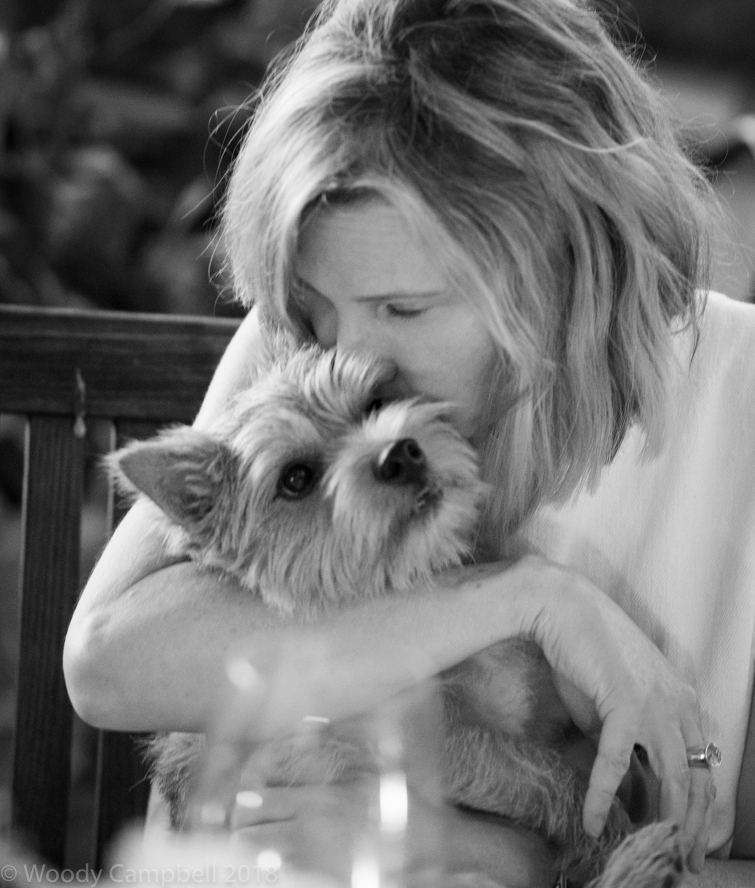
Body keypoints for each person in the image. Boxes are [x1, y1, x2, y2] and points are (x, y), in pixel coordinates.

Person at [63, 0, 755, 882]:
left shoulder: (731, 407)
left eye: (403, 308)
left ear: (557, 265)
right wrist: (530, 597)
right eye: (315, 305)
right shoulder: (303, 342)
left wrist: (506, 856)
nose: (347, 355)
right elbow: (108, 659)